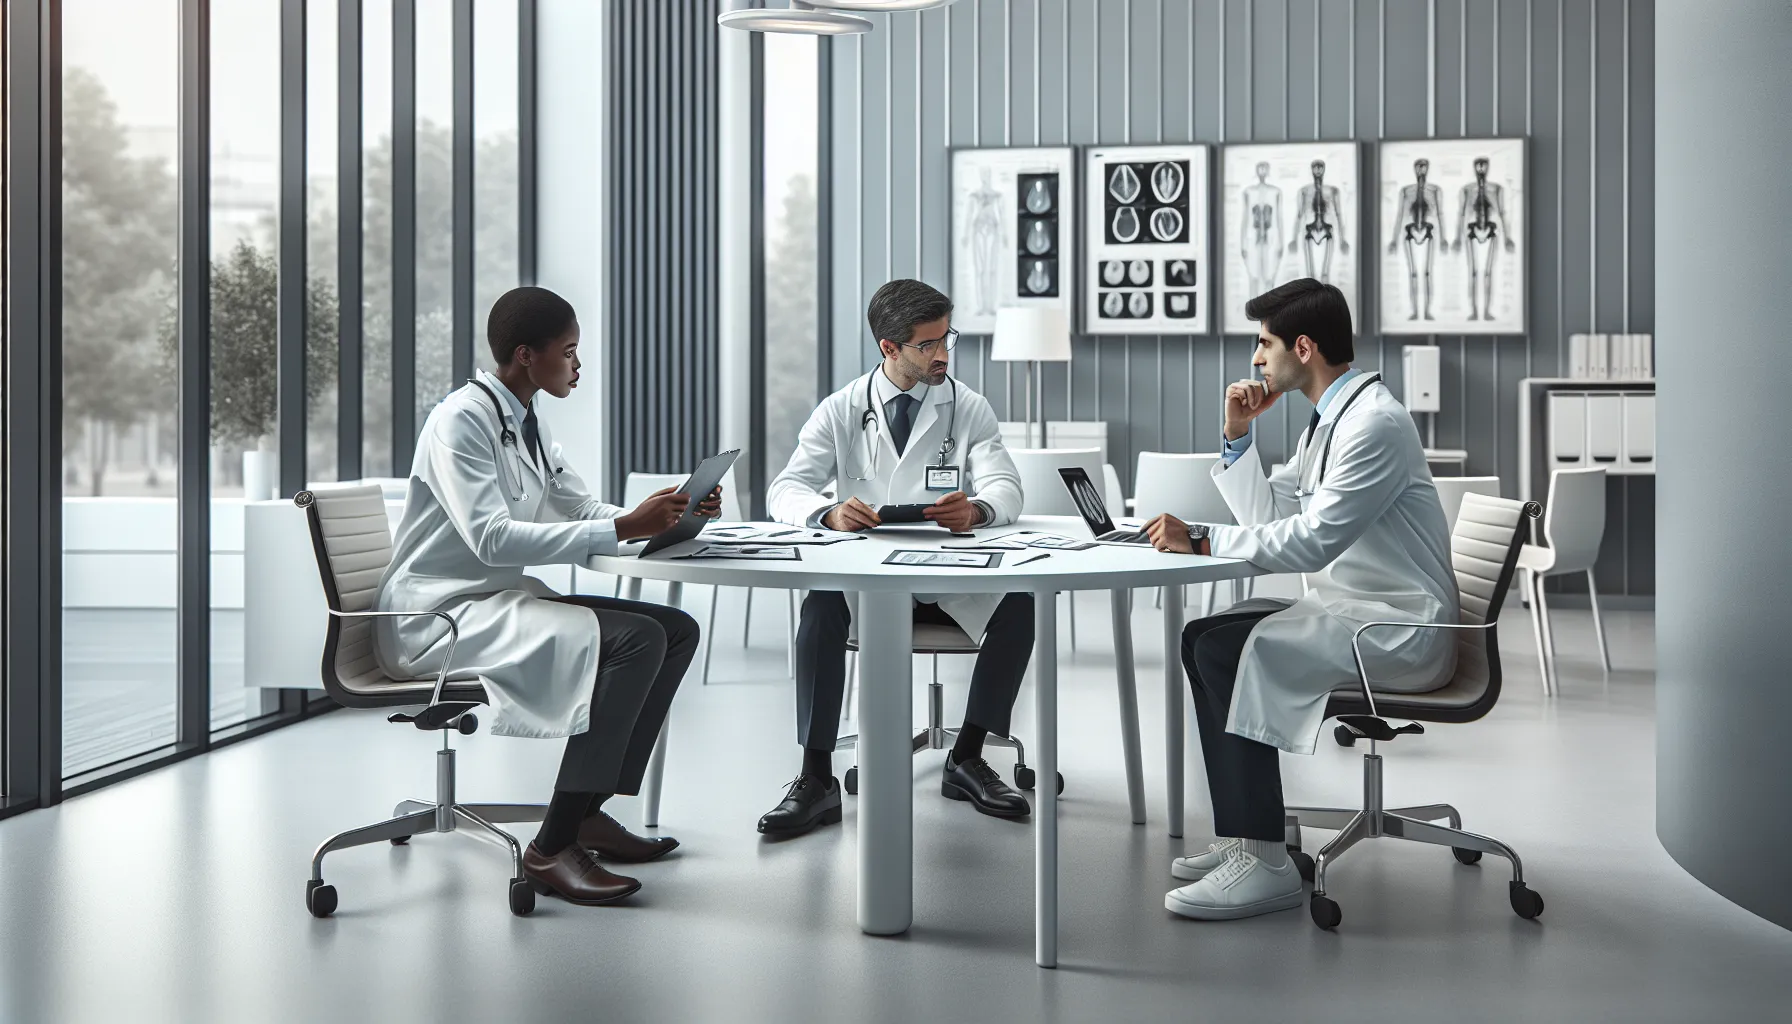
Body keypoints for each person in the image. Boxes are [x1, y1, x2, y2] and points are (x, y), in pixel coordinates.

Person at [375, 285, 719, 907]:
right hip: (440, 617)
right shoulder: (461, 420)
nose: (578, 365)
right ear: (527, 355)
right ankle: (551, 846)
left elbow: (580, 505)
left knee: (675, 630)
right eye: (570, 351)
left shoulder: (526, 422)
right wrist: (624, 528)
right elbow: (490, 538)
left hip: (494, 602)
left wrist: (657, 513)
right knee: (635, 641)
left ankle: (588, 812)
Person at [1140, 278, 1456, 921]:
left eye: (1264, 344)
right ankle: (1244, 835)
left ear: (1303, 347)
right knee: (1202, 636)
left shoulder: (1373, 424)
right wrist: (1236, 436)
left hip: (1398, 627)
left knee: (1228, 650)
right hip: (1357, 607)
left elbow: (1309, 543)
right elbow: (1271, 513)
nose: (1256, 360)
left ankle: (1267, 865)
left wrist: (1200, 537)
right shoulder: (1330, 420)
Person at [758, 278, 1034, 837]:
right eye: (929, 345)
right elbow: (784, 490)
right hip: (870, 583)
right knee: (820, 609)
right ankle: (815, 780)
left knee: (1021, 606)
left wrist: (978, 511)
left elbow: (1007, 487)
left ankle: (968, 756)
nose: (943, 355)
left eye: (946, 339)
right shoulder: (841, 410)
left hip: (947, 581)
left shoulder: (968, 406)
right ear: (890, 347)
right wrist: (826, 513)